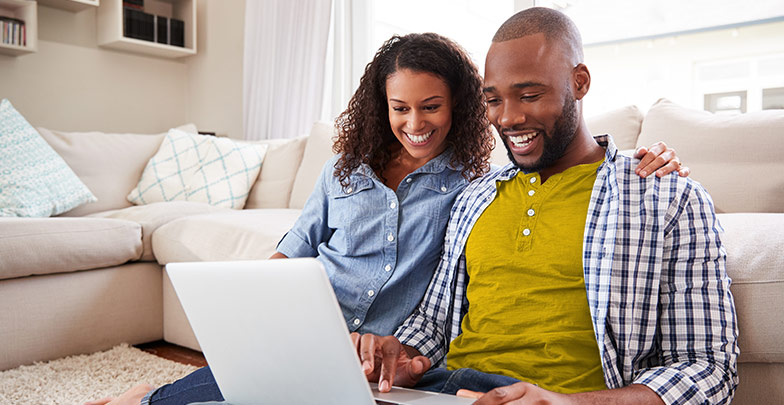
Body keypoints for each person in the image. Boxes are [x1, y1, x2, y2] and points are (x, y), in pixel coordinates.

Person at [86, 31, 685, 405]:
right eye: (401, 108)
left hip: (398, 355)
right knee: (257, 376)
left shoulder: (474, 183)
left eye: (431, 107)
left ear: (457, 108)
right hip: (329, 335)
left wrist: (649, 157)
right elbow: (293, 254)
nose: (415, 123)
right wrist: (258, 316)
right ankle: (152, 395)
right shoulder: (346, 172)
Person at [354, 7, 738, 405]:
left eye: (530, 95)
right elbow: (433, 322)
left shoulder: (662, 195)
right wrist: (402, 358)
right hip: (446, 392)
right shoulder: (473, 197)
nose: (509, 117)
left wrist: (568, 403)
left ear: (579, 82)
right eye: (494, 100)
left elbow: (708, 369)